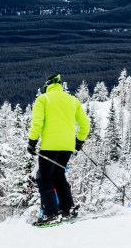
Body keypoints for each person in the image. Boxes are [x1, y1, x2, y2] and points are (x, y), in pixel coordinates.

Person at [27, 73, 90, 226]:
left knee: (44, 177)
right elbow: (85, 125)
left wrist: (32, 142)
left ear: (47, 86)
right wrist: (79, 142)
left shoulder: (43, 99)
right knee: (59, 175)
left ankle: (51, 214)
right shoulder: (72, 100)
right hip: (67, 147)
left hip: (49, 146)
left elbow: (37, 123)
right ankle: (68, 209)